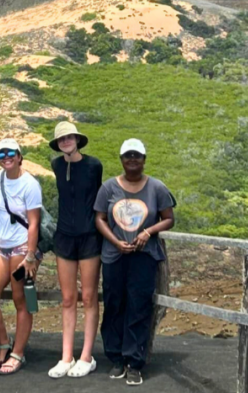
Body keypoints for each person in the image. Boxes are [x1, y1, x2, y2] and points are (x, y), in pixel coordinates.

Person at [94, 139, 176, 386]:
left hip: (143, 256)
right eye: (128, 155)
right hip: (114, 255)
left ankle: (135, 361)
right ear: (121, 159)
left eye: (137, 155)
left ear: (144, 159)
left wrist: (148, 232)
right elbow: (99, 218)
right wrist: (115, 241)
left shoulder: (157, 188)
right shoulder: (108, 188)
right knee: (114, 304)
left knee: (139, 307)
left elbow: (169, 219)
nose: (132, 159)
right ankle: (116, 357)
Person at [0, 138, 43, 375]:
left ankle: (18, 353)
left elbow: (34, 223)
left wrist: (30, 255)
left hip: (21, 248)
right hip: (1, 248)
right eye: (1, 154)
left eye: (10, 153)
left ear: (19, 155)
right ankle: (4, 343)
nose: (6, 157)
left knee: (21, 301)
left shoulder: (30, 185)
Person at [48, 121, 104, 378]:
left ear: (78, 139)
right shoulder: (56, 164)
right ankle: (66, 357)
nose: (66, 141)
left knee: (90, 298)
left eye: (70, 137)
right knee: (68, 299)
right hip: (64, 237)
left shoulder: (94, 166)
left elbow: (99, 201)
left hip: (90, 237)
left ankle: (87, 356)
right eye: (62, 139)